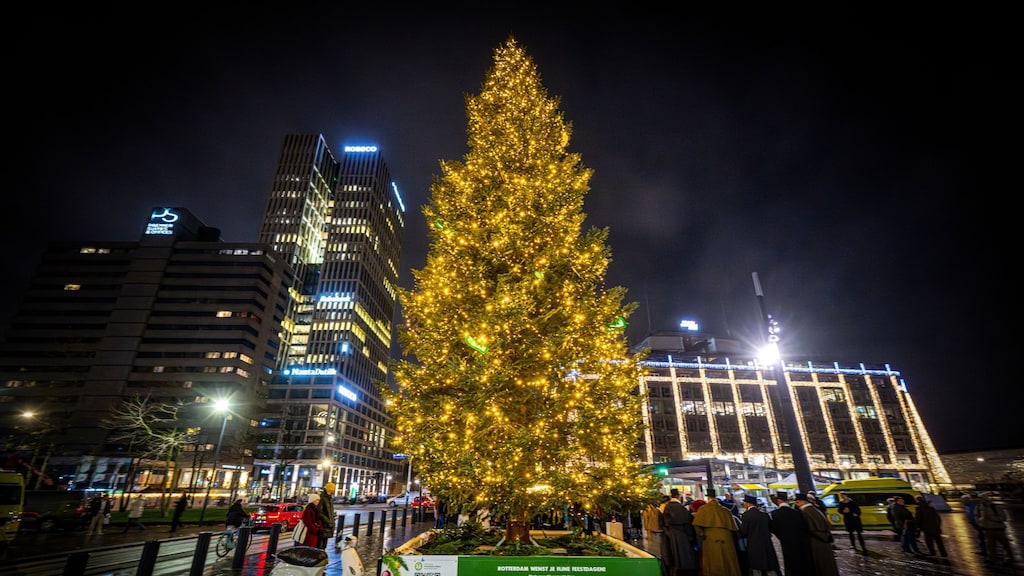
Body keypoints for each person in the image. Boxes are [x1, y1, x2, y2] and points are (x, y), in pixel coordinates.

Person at [692, 495, 741, 576]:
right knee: (729, 563)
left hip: (711, 539)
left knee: (714, 564)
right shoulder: (726, 511)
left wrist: (702, 535)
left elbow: (697, 525)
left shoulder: (703, 509)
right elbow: (734, 529)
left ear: (708, 498)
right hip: (726, 540)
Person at [794, 493, 839, 576]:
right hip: (824, 539)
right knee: (827, 561)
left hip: (816, 542)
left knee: (820, 562)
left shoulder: (806, 512)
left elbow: (809, 527)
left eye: (797, 502)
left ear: (802, 502)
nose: (797, 505)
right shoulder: (815, 509)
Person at [770, 493, 811, 576]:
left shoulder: (775, 513)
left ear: (779, 501)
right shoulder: (797, 512)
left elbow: (773, 528)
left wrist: (782, 536)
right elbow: (804, 526)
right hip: (799, 541)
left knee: (789, 562)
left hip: (786, 542)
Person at [739, 494, 780, 576]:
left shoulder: (746, 515)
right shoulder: (764, 515)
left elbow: (744, 531)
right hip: (766, 543)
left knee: (756, 566)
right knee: (769, 565)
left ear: (748, 503)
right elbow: (771, 528)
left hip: (754, 544)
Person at [662, 488, 699, 576]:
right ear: (678, 496)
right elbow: (687, 522)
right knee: (684, 557)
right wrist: (691, 537)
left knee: (674, 557)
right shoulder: (680, 508)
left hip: (670, 534)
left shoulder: (667, 507)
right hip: (682, 535)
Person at [976, 492, 1015, 566]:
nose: (980, 501)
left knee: (1005, 545)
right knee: (990, 546)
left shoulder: (995, 507)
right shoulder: (979, 508)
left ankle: (1009, 558)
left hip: (998, 529)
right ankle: (991, 559)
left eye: (981, 499)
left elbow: (1003, 518)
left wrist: (992, 518)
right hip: (987, 529)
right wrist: (981, 522)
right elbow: (977, 518)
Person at [961, 493, 988, 558]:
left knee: (983, 537)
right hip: (975, 523)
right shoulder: (968, 506)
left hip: (979, 524)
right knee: (981, 537)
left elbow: (977, 514)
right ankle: (983, 550)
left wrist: (979, 522)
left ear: (968, 500)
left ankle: (987, 551)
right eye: (962, 500)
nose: (963, 502)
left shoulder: (974, 505)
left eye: (964, 500)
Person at [317, 482, 336, 549]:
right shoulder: (322, 498)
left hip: (328, 525)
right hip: (324, 525)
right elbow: (319, 512)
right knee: (320, 544)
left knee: (324, 544)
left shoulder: (330, 498)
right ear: (330, 489)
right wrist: (328, 520)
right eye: (333, 488)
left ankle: (322, 556)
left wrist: (333, 516)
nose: (334, 490)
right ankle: (319, 557)